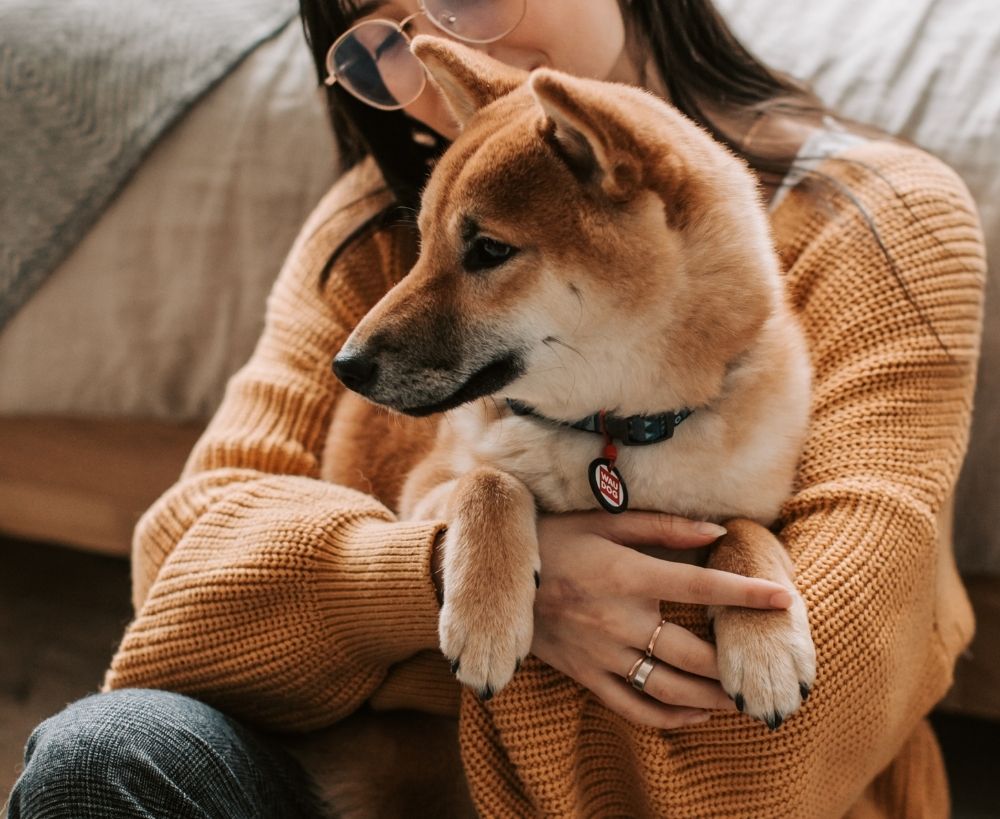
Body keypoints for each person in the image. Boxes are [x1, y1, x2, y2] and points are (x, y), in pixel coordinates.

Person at [7, 1, 985, 817]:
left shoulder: (886, 225)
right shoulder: (380, 223)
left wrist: (346, 647)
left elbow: (768, 754)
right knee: (109, 757)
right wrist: (444, 579)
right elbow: (179, 590)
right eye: (378, 42)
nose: (439, 68)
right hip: (382, 789)